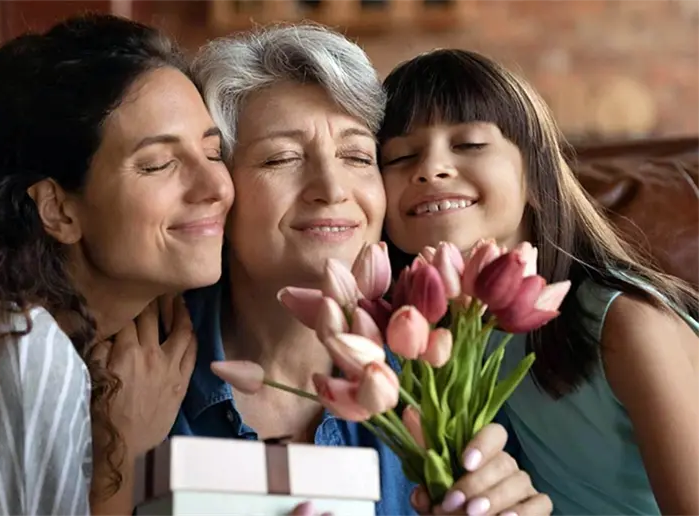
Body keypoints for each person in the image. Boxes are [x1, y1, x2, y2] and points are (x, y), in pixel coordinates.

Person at [172, 25, 551, 516]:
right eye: (282, 158)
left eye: (357, 156)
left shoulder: (444, 377)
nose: (331, 188)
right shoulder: (138, 373)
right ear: (219, 187)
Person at [0, 14, 233, 516]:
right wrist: (122, 456)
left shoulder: (0, 326)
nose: (215, 187)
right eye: (158, 164)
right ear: (58, 209)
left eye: (213, 152)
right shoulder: (22, 349)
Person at [378, 48, 699, 515]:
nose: (430, 168)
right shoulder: (437, 339)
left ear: (536, 177)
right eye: (401, 156)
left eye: (468, 144)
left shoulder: (626, 325)